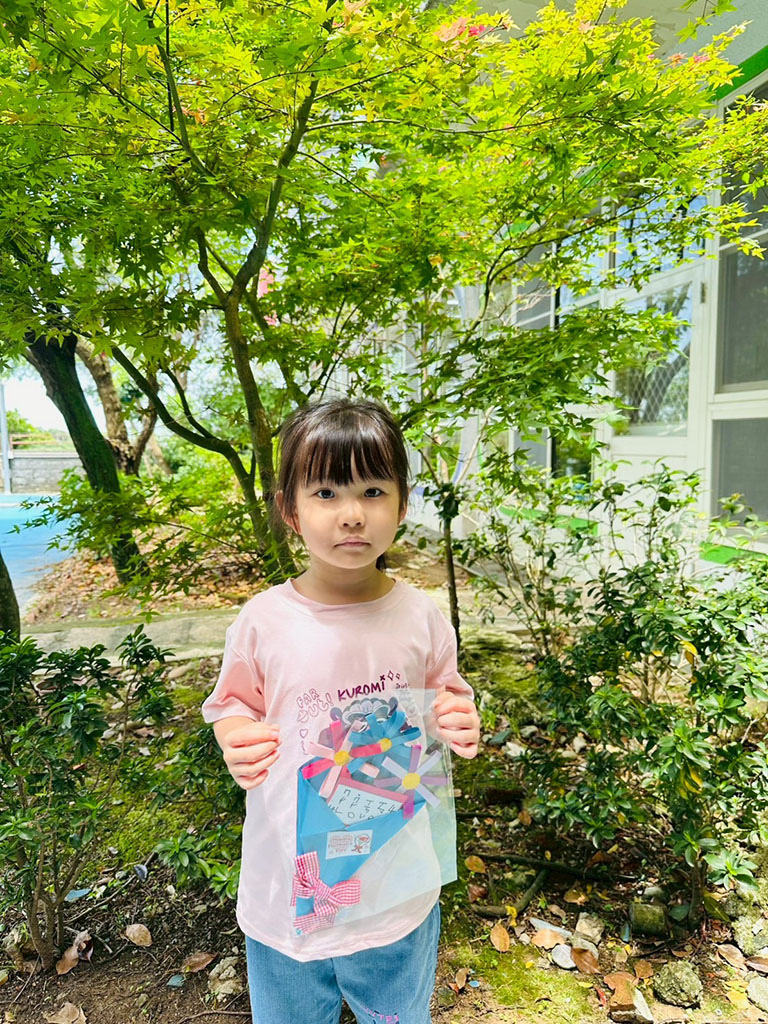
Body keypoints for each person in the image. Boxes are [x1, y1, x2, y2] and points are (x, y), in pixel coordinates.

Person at [201, 398, 480, 1024]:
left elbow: (447, 697)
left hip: (395, 888)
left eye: (373, 491)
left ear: (402, 505)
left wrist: (460, 719)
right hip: (287, 889)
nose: (352, 514)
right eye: (326, 492)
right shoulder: (263, 622)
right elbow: (231, 705)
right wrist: (235, 735)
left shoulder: (420, 617)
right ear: (290, 510)